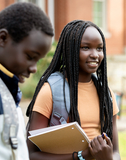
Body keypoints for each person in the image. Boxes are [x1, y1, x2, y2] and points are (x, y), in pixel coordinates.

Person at [0, 2, 53, 160]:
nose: (34, 68)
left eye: (38, 60)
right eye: (30, 57)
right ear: (3, 38)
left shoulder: (2, 87)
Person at [26, 20, 121, 160]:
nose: (95, 54)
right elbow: (30, 154)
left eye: (99, 48)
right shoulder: (50, 92)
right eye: (86, 47)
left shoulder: (106, 94)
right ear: (70, 49)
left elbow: (115, 152)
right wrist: (80, 156)